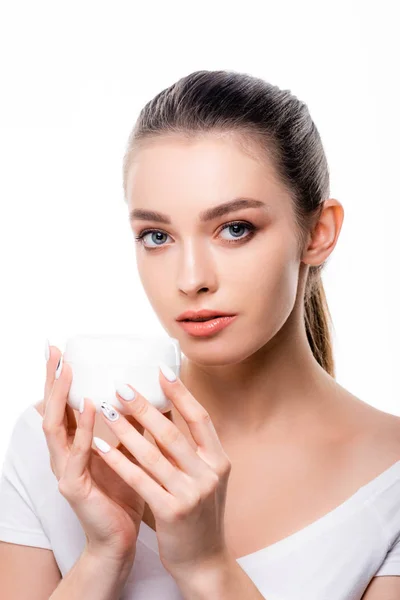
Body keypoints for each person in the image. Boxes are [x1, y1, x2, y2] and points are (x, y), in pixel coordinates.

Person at [0, 69, 399, 600]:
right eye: (157, 236)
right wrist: (103, 555)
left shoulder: (389, 481)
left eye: (235, 229)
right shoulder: (56, 451)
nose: (191, 280)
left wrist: (207, 567)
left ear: (318, 233)